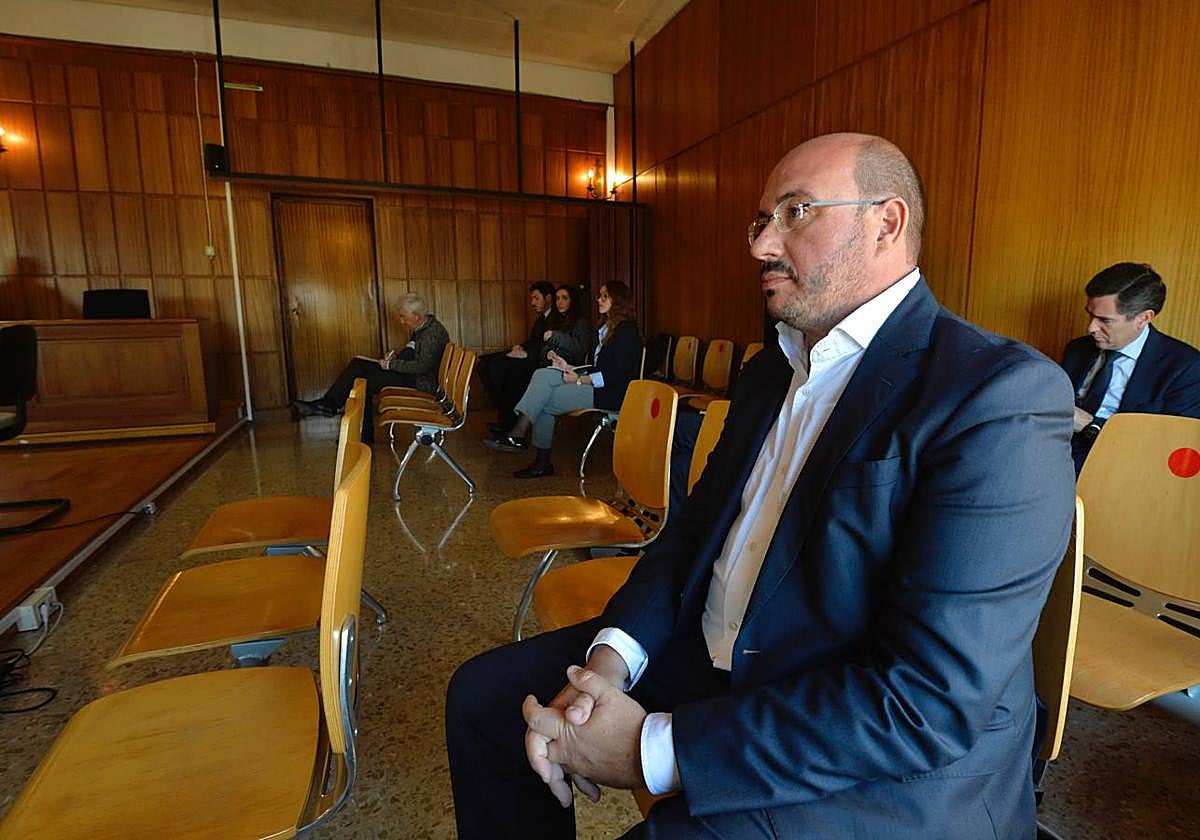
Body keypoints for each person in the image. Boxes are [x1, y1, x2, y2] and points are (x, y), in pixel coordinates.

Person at [446, 132, 1078, 839]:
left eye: (796, 212)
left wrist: (647, 749)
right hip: (721, 656)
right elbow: (690, 536)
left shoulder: (997, 395)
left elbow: (928, 701)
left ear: (887, 222)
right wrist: (610, 664)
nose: (760, 246)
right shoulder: (771, 370)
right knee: (485, 702)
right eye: (760, 221)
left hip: (873, 740)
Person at [487, 282, 643, 479]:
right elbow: (599, 367)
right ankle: (519, 434)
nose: (599, 300)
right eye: (600, 295)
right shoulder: (605, 327)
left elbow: (614, 375)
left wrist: (580, 379)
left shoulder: (627, 331)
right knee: (542, 374)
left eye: (605, 296)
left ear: (618, 301)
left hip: (611, 392)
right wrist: (567, 366)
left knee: (545, 400)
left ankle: (537, 456)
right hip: (596, 382)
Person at [1060, 262, 1200, 473]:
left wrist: (1090, 426)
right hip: (1055, 456)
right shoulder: (1077, 349)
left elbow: (1171, 450)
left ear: (1144, 318)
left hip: (1125, 473)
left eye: (1105, 320)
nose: (1091, 327)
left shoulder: (1186, 368)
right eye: (1090, 314)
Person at [293, 292, 449, 443]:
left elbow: (422, 367)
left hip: (421, 382)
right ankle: (328, 404)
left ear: (416, 316)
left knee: (366, 381)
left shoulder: (431, 334)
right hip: (414, 375)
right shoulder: (422, 327)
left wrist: (390, 364)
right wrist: (396, 356)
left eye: (403, 317)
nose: (401, 321)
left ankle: (362, 434)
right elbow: (412, 349)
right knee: (358, 364)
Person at [477, 281, 557, 434]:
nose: (532, 303)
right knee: (483, 363)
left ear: (548, 298)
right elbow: (533, 341)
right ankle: (505, 415)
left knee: (496, 369)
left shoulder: (556, 318)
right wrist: (521, 346)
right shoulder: (541, 319)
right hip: (528, 354)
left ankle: (508, 419)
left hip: (538, 362)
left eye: (536, 298)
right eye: (532, 299)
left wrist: (527, 353)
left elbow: (550, 347)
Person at [542, 284, 592, 366]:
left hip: (572, 368)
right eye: (557, 298)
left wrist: (554, 335)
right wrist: (547, 353)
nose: (560, 302)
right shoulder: (555, 320)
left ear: (572, 300)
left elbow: (580, 349)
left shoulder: (581, 322)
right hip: (555, 365)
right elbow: (544, 348)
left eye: (565, 298)